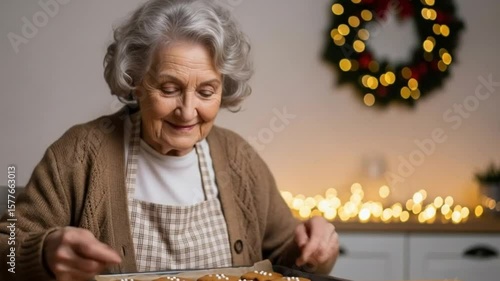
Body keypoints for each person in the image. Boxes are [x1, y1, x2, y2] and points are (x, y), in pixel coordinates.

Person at [0, 0, 339, 280]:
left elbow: (286, 259)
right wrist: (42, 253)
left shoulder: (239, 158)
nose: (187, 111)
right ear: (135, 80)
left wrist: (316, 251)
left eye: (207, 91)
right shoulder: (79, 153)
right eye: (169, 89)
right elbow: (7, 251)